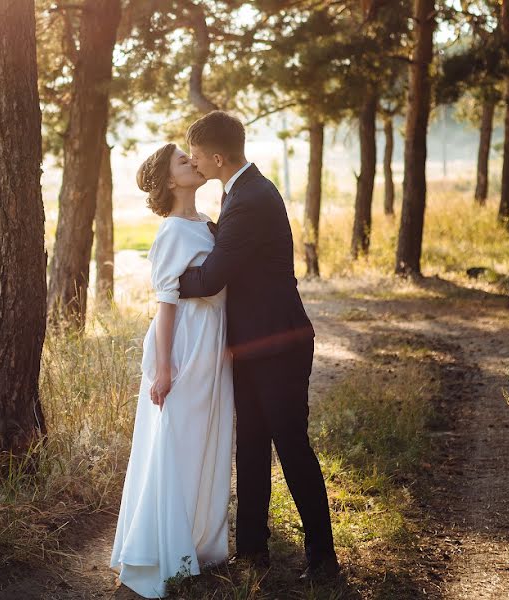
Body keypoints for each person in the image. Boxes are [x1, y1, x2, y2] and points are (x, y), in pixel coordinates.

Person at [178, 110, 340, 585]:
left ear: (217, 156)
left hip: (280, 347)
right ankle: (251, 550)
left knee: (291, 447)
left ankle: (324, 561)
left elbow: (209, 279)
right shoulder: (243, 192)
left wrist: (167, 280)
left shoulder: (250, 199)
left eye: (196, 156)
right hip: (252, 345)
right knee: (249, 446)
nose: (194, 163)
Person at [109, 143, 234, 598]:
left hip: (214, 343)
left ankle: (199, 542)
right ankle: (159, 550)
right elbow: (165, 303)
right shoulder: (171, 232)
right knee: (174, 444)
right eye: (184, 161)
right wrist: (164, 367)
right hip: (183, 343)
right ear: (168, 181)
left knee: (208, 438)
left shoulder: (207, 224)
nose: (194, 163)